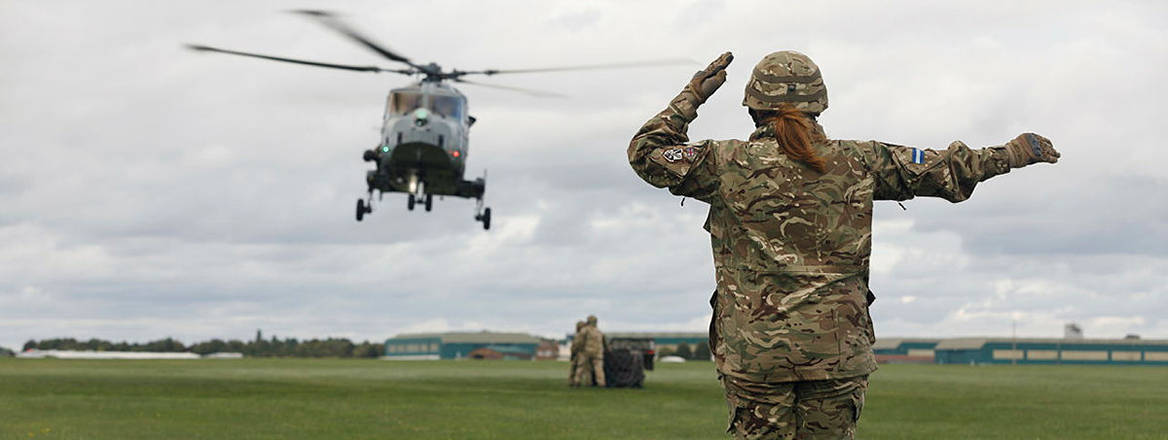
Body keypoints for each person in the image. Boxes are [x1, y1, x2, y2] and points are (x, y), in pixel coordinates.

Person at [627, 51, 1058, 439]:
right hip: (837, 352)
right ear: (820, 104)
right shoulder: (860, 161)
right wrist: (1014, 152)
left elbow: (647, 151)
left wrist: (693, 95)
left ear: (754, 106)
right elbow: (948, 167)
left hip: (756, 353)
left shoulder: (723, 163)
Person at [574, 315, 606, 387]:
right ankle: (601, 383)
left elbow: (580, 341)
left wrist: (578, 349)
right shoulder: (599, 332)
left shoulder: (585, 330)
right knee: (598, 368)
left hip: (586, 351)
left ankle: (577, 381)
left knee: (581, 367)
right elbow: (604, 343)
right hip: (598, 352)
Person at [569, 320, 587, 387]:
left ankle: (571, 381)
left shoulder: (577, 335)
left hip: (575, 353)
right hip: (581, 352)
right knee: (580, 367)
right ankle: (577, 381)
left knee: (573, 368)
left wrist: (573, 353)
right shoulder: (583, 335)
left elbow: (574, 345)